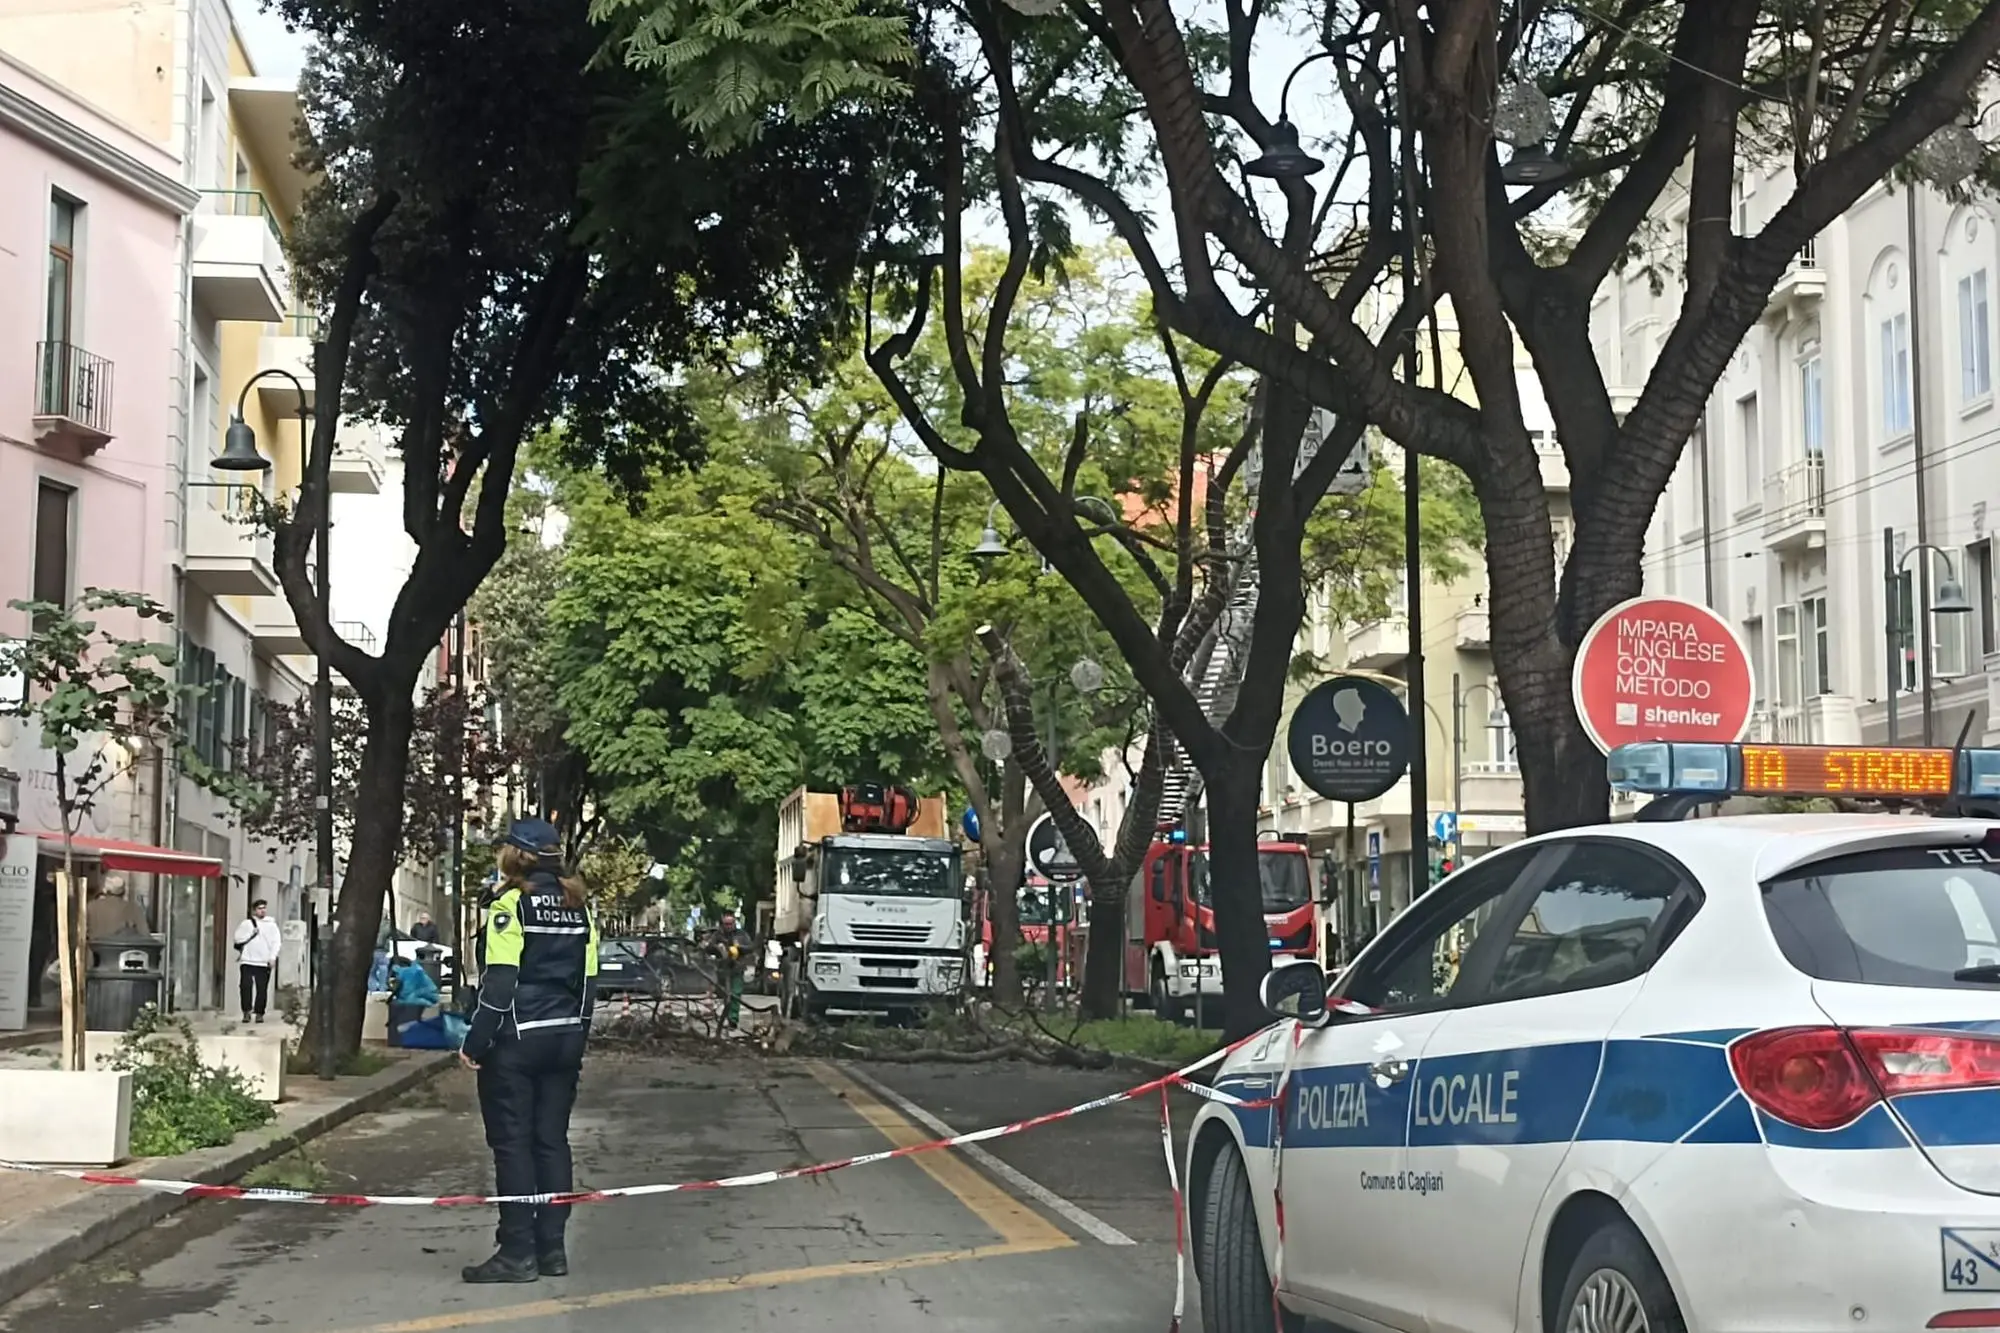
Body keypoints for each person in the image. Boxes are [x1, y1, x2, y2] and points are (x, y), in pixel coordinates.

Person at [459, 818, 598, 1284]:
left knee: (512, 1145)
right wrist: (578, 1032)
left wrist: (475, 1042)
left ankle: (517, 1251)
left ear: (514, 857)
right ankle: (552, 1250)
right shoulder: (579, 908)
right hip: (564, 1040)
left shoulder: (510, 906)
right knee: (552, 1141)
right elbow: (589, 982)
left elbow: (500, 981)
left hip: (517, 1041)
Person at [232, 899, 282, 1023]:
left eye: (264, 908)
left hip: (263, 962)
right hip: (247, 960)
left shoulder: (272, 925)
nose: (262, 910)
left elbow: (276, 942)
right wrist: (250, 935)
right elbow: (237, 939)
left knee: (262, 989)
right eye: (259, 908)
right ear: (254, 910)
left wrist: (272, 957)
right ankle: (246, 1011)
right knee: (245, 987)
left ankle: (259, 1013)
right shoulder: (246, 924)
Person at [705, 910, 754, 1027]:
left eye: (730, 924)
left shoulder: (741, 934)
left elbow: (750, 947)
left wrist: (739, 948)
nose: (728, 927)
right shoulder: (718, 935)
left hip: (737, 968)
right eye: (726, 924)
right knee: (724, 994)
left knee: (735, 994)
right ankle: (724, 1015)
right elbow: (709, 948)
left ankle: (733, 1019)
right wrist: (717, 948)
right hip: (723, 969)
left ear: (734, 923)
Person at [85, 874, 149, 939]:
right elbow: (145, 935)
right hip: (124, 948)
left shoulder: (91, 906)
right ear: (124, 892)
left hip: (94, 948)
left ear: (106, 891)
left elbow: (82, 930)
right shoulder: (134, 908)